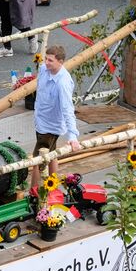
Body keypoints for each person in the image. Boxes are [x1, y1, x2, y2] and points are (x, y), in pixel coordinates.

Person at [30, 45, 80, 190]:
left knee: (37, 161)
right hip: (40, 120)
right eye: (46, 59)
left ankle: (33, 192)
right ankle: (53, 187)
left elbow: (67, 109)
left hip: (50, 127)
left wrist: (72, 136)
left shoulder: (62, 83)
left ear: (60, 62)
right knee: (52, 155)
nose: (46, 62)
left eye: (50, 60)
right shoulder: (44, 70)